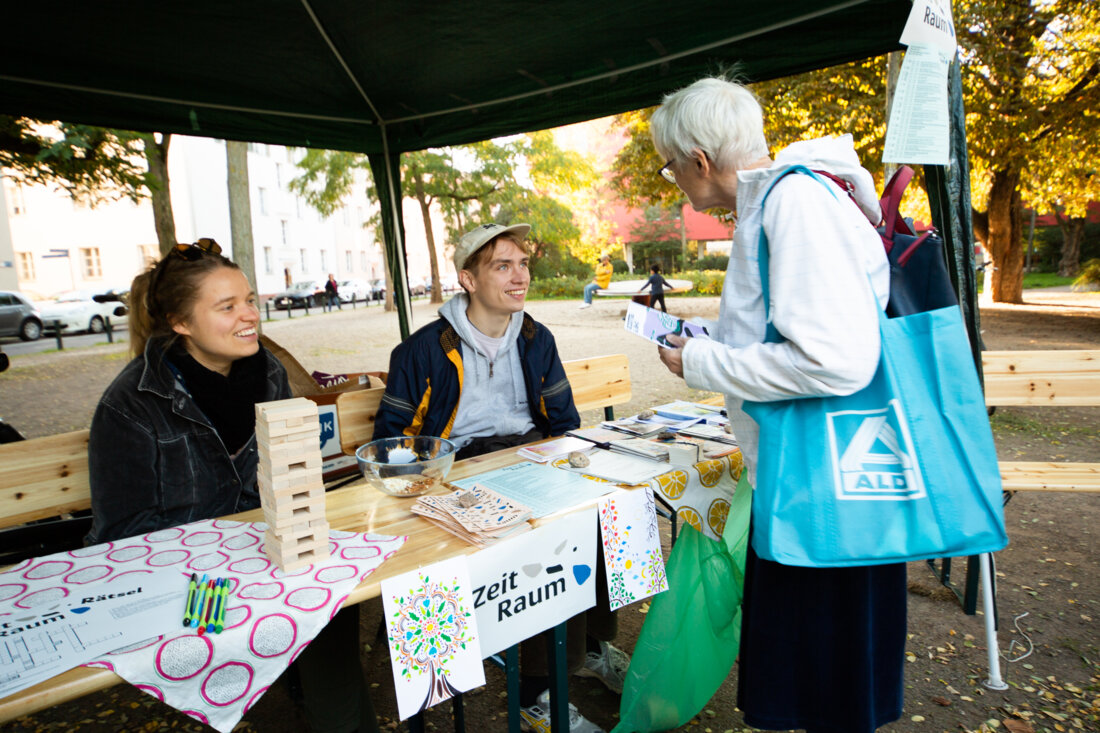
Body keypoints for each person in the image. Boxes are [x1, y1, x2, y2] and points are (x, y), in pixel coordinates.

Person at [651, 77, 905, 733]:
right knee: (819, 689)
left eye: (670, 165)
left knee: (827, 691)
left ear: (699, 162)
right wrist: (716, 343)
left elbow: (836, 357)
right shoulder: (785, 200)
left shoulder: (796, 203)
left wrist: (703, 362)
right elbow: (791, 331)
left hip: (823, 491)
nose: (673, 178)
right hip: (816, 482)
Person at [86, 238, 377, 733]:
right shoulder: (131, 404)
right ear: (181, 323)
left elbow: (289, 478)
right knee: (228, 630)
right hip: (184, 579)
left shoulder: (267, 372)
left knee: (333, 600)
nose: (250, 316)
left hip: (265, 555)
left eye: (248, 300)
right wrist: (234, 563)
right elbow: (123, 537)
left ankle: (339, 720)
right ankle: (253, 707)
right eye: (227, 307)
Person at [373, 223, 623, 733]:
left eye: (524, 264)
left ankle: (590, 646)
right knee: (537, 545)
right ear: (468, 279)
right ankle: (536, 693)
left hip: (528, 457)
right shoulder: (424, 349)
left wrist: (558, 464)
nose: (519, 276)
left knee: (605, 511)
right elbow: (394, 443)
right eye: (502, 266)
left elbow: (565, 423)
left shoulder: (535, 337)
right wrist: (442, 479)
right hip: (459, 470)